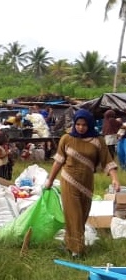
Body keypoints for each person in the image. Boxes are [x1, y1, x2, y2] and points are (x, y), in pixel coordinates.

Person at [43, 109, 120, 258]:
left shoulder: (98, 141)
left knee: (82, 215)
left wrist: (115, 179)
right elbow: (58, 161)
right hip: (69, 180)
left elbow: (108, 162)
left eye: (84, 125)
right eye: (78, 124)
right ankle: (77, 250)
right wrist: (50, 180)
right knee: (74, 215)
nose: (80, 127)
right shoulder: (66, 139)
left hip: (86, 184)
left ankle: (69, 243)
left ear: (89, 125)